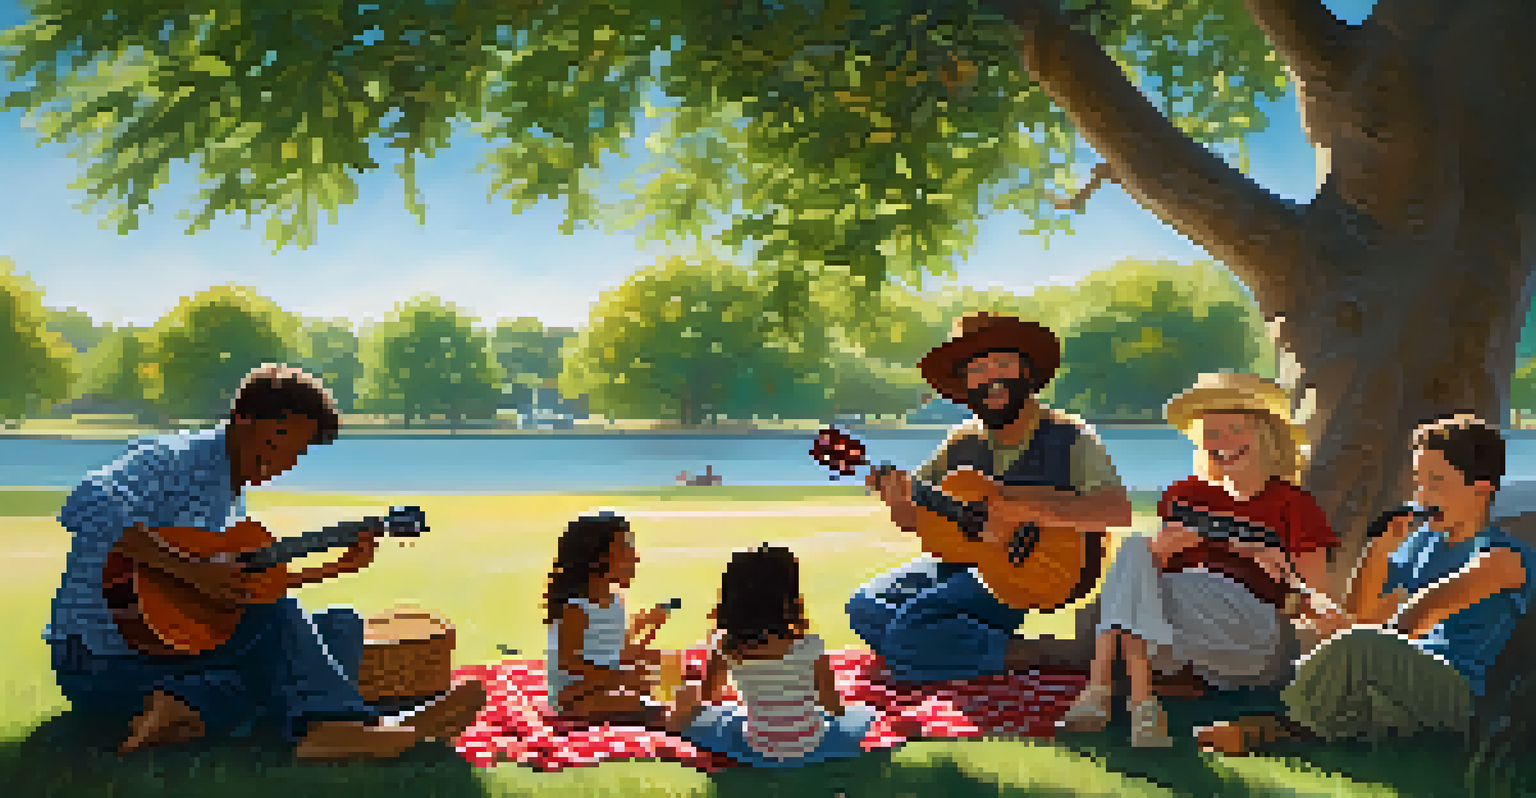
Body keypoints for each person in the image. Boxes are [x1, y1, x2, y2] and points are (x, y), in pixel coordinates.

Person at [44, 364, 486, 760]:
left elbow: (233, 592)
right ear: (242, 419)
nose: (280, 462)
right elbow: (84, 503)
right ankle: (339, 727)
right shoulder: (178, 460)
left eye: (294, 452)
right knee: (277, 619)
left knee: (340, 624)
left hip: (165, 664)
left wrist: (337, 568)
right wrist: (192, 568)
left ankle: (180, 711)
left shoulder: (225, 496)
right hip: (100, 663)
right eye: (276, 442)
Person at [1196, 413, 1533, 755]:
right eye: (1418, 480)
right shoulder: (1422, 544)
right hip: (1403, 681)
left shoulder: (1501, 557)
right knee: (1350, 681)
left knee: (1356, 651)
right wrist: (1376, 550)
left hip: (1461, 693)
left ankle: (1275, 727)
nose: (1422, 494)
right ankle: (1306, 731)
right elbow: (1364, 617)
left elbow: (1418, 616)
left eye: (1436, 481)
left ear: (1481, 489)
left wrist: (1352, 635)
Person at [1055, 372, 1339, 746]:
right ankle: (1142, 704)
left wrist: (1275, 566)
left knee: (1132, 569)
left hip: (1256, 637)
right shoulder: (1184, 495)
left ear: (1267, 435)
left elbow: (1315, 604)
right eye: (1212, 433)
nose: (1223, 444)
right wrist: (1160, 555)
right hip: (1180, 634)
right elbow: (1148, 587)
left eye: (1235, 430)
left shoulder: (1294, 505)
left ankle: (1101, 691)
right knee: (1138, 550)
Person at [846, 312, 1134, 682]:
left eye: (1002, 363)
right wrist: (899, 501)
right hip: (966, 565)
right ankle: (1008, 650)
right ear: (965, 383)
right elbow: (919, 517)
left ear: (1026, 372)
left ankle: (940, 650)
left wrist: (1022, 507)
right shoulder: (960, 442)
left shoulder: (1070, 435)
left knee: (909, 625)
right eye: (978, 369)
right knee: (865, 607)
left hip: (1026, 573)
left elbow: (1116, 511)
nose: (992, 377)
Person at [677, 544, 877, 767]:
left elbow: (710, 697)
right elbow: (833, 706)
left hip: (757, 745)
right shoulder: (809, 645)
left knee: (703, 719)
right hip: (811, 743)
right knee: (863, 714)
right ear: (787, 596)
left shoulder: (723, 644)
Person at [544, 510, 679, 728]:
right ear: (596, 559)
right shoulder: (576, 609)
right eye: (626, 549)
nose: (636, 557)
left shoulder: (616, 599)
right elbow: (567, 663)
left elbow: (615, 646)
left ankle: (648, 710)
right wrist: (619, 676)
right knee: (639, 703)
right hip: (575, 693)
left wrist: (643, 654)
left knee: (652, 682)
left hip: (607, 683)